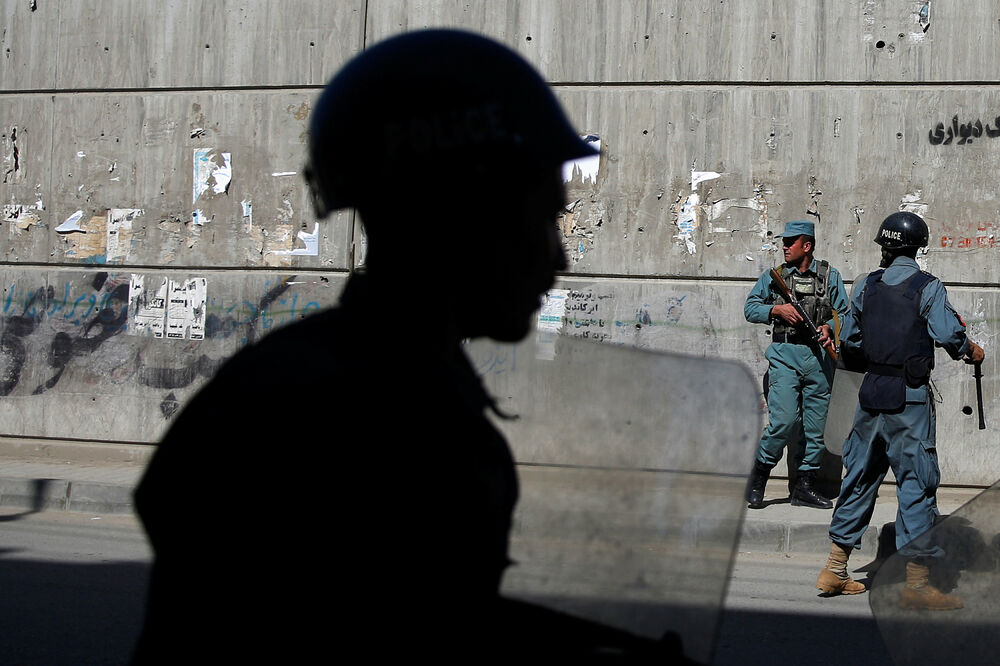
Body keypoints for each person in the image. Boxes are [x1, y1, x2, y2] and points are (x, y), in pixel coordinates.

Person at [131, 30, 692, 663]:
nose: (558, 256)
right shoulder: (344, 416)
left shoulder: (376, 383)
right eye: (540, 218)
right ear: (463, 217)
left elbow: (420, 614)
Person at [815, 212, 984, 606]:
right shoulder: (927, 287)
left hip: (870, 394)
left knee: (858, 478)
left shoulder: (866, 286)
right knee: (916, 484)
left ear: (884, 246)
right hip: (908, 399)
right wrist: (969, 350)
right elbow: (947, 333)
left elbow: (851, 341)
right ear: (917, 246)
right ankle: (917, 585)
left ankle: (835, 570)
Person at [743, 220, 849, 509]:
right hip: (785, 356)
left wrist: (829, 327)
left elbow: (846, 314)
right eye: (784, 241)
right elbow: (750, 308)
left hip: (818, 359)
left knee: (815, 429)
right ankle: (759, 477)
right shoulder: (775, 276)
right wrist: (777, 309)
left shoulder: (830, 276)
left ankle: (804, 486)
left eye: (791, 241)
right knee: (784, 421)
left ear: (808, 246)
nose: (785, 246)